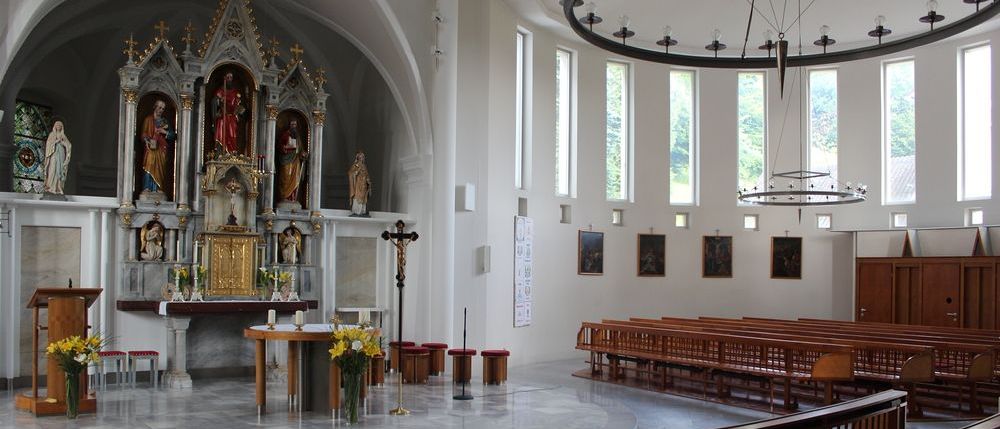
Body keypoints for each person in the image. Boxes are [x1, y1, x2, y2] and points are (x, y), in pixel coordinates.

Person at [141, 99, 176, 195]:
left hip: (161, 148)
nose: (161, 110)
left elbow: (173, 135)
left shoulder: (165, 122)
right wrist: (147, 141)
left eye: (163, 109)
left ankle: (158, 187)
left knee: (160, 168)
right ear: (155, 107)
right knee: (149, 165)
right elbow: (143, 134)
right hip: (151, 148)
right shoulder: (148, 120)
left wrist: (164, 132)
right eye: (159, 107)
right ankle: (147, 187)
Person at [212, 72, 245, 154]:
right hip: (223, 117)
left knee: (232, 135)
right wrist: (219, 101)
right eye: (228, 77)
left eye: (231, 77)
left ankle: (231, 153)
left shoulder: (235, 92)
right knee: (221, 136)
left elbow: (239, 105)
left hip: (232, 118)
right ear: (225, 78)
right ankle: (221, 153)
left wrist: (239, 110)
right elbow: (214, 103)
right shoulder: (220, 91)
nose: (230, 79)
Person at [277, 119, 308, 203]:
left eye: (295, 124)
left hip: (295, 160)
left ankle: (292, 198)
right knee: (286, 177)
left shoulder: (297, 137)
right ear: (289, 125)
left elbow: (300, 149)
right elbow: (280, 146)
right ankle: (284, 197)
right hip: (286, 160)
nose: (294, 126)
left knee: (295, 179)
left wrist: (303, 154)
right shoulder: (285, 135)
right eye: (292, 124)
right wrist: (285, 149)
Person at [42, 120, 71, 194]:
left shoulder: (63, 135)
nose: (58, 127)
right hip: (53, 154)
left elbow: (69, 145)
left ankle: (58, 187)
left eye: (60, 126)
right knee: (52, 169)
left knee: (60, 169)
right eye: (57, 125)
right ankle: (50, 187)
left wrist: (62, 142)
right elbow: (48, 144)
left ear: (62, 127)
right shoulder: (52, 134)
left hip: (61, 153)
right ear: (55, 126)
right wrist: (55, 142)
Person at [347, 151, 372, 216]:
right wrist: (357, 171)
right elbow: (350, 173)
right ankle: (356, 211)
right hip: (357, 184)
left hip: (363, 184)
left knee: (363, 197)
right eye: (360, 157)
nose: (361, 159)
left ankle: (362, 211)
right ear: (357, 158)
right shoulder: (355, 165)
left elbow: (366, 174)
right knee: (357, 196)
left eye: (362, 157)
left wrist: (368, 180)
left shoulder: (364, 166)